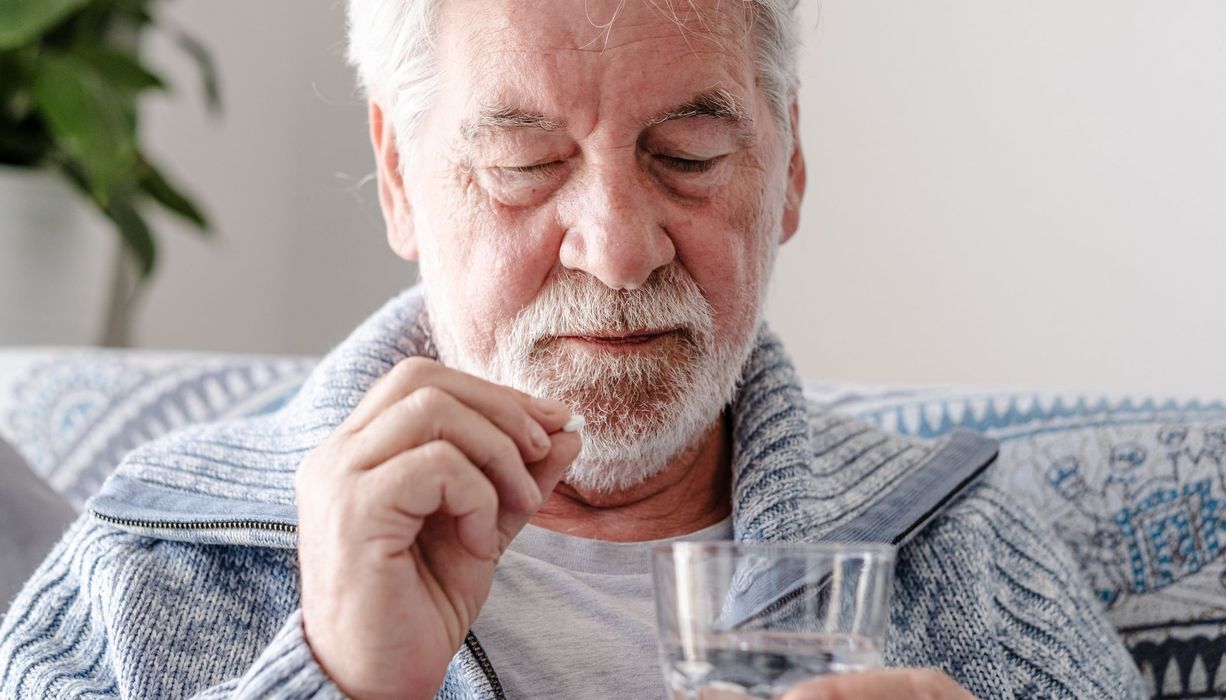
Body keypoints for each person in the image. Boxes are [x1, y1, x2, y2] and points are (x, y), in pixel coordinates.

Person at [0, 0, 1146, 698]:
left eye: (689, 154)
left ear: (787, 169)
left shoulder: (966, 549)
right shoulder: (150, 552)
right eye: (523, 163)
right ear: (400, 175)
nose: (615, 248)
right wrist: (336, 682)